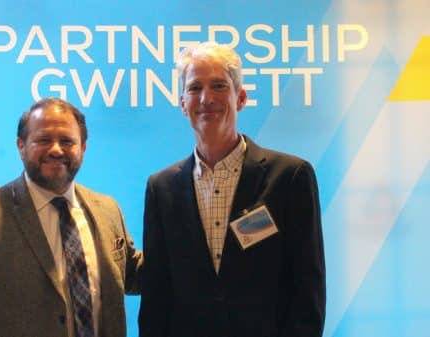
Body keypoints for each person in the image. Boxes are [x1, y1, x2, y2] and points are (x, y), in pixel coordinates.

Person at [138, 42, 325, 337]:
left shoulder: (290, 178)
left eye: (219, 86)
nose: (206, 97)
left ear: (241, 98)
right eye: (195, 87)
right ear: (182, 102)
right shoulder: (161, 189)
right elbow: (157, 297)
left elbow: (307, 291)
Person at [0, 97, 142, 337]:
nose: (56, 149)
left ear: (83, 147)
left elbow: (135, 275)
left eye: (67, 141)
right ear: (21, 146)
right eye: (44, 140)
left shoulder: (107, 210)